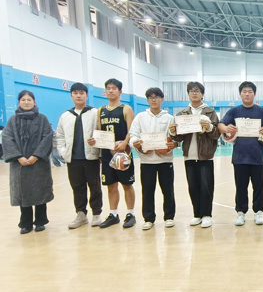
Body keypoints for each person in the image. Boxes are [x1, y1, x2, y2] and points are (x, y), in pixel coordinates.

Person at [218, 81, 263, 226]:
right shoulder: (234, 112)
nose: (247, 94)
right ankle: (241, 212)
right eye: (244, 91)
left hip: (258, 157)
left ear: (254, 94)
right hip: (239, 157)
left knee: (259, 187)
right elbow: (220, 125)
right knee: (240, 187)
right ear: (240, 94)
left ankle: (258, 212)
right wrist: (226, 128)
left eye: (250, 91)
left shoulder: (262, 111)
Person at [1, 90, 54, 234]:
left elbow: (47, 137)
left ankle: (40, 221)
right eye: (23, 100)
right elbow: (7, 138)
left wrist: (36, 155)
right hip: (20, 164)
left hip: (38, 163)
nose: (26, 102)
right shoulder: (13, 120)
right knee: (22, 193)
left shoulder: (42, 119)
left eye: (29, 99)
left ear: (34, 102)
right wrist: (19, 156)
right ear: (19, 102)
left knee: (40, 191)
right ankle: (26, 223)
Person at [169, 82, 220, 228]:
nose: (194, 93)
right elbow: (178, 138)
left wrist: (209, 127)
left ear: (202, 94)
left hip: (205, 156)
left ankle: (207, 215)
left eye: (197, 91)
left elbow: (216, 134)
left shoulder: (210, 112)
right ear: (188, 94)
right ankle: (197, 214)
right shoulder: (182, 114)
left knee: (206, 186)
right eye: (191, 91)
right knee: (193, 186)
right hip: (189, 156)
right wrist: (173, 132)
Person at [89, 78, 136, 229]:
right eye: (108, 88)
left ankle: (130, 214)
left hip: (123, 153)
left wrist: (125, 143)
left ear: (120, 91)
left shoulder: (126, 109)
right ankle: (113, 214)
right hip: (107, 153)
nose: (110, 90)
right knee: (110, 185)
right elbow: (100, 131)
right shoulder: (100, 111)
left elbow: (132, 130)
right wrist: (95, 141)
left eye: (114, 88)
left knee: (127, 184)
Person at [129, 88, 178, 231]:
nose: (154, 100)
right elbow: (133, 134)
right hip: (147, 161)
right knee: (147, 191)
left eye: (156, 97)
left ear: (162, 99)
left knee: (168, 190)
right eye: (150, 97)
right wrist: (134, 142)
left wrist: (174, 143)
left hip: (165, 161)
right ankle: (149, 219)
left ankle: (169, 217)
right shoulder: (140, 117)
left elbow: (175, 137)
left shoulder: (169, 118)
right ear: (147, 100)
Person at [56, 82, 103, 229]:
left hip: (91, 158)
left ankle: (97, 214)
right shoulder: (65, 116)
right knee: (77, 187)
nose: (78, 96)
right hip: (73, 159)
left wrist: (99, 149)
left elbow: (101, 132)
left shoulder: (95, 113)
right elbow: (60, 136)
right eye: (75, 93)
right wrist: (63, 152)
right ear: (71, 96)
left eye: (81, 93)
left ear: (86, 96)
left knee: (95, 186)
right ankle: (81, 214)